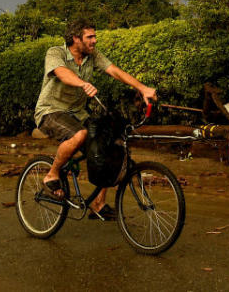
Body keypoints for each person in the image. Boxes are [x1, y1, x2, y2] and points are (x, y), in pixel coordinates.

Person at [34, 18, 156, 220]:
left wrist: (142, 88)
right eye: (90, 37)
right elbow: (62, 73)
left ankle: (98, 204)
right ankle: (52, 173)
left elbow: (114, 71)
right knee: (80, 134)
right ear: (76, 39)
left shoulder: (92, 56)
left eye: (95, 36)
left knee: (107, 146)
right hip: (50, 111)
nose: (95, 40)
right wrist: (82, 84)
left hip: (77, 112)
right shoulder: (56, 52)